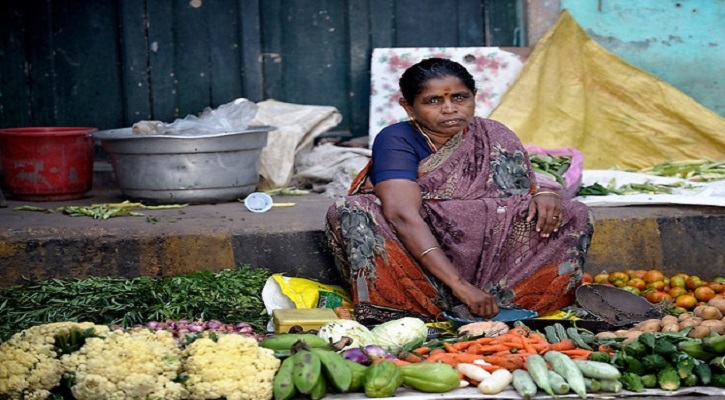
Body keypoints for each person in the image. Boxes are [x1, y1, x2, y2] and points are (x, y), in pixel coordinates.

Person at [326, 58, 593, 325]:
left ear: (474, 97)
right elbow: (401, 215)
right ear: (408, 107)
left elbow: (518, 194)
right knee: (356, 211)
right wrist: (459, 284)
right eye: (433, 101)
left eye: (460, 97)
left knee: (574, 213)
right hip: (422, 252)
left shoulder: (494, 134)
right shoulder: (397, 139)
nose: (449, 108)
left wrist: (544, 194)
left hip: (490, 248)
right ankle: (416, 308)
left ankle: (510, 302)